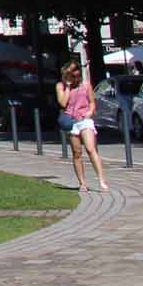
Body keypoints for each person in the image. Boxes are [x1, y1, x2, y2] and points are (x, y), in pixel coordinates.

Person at [56, 61, 110, 193]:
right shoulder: (60, 86)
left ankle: (102, 180)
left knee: (91, 149)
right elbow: (63, 103)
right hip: (71, 121)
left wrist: (90, 113)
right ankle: (82, 183)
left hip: (84, 120)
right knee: (77, 152)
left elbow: (92, 102)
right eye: (68, 74)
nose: (72, 75)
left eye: (73, 72)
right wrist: (68, 87)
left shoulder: (86, 85)